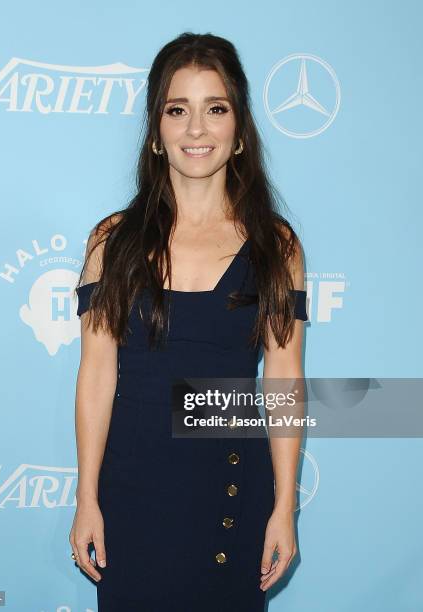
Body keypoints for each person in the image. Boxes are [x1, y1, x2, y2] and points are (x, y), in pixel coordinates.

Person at [69, 31, 308, 611]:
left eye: (215, 109)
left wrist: (283, 507)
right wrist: (87, 496)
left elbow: (283, 382)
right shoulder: (112, 241)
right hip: (133, 491)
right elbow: (97, 376)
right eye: (178, 110)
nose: (196, 129)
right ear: (156, 131)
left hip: (231, 493)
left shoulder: (277, 246)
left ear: (240, 129)